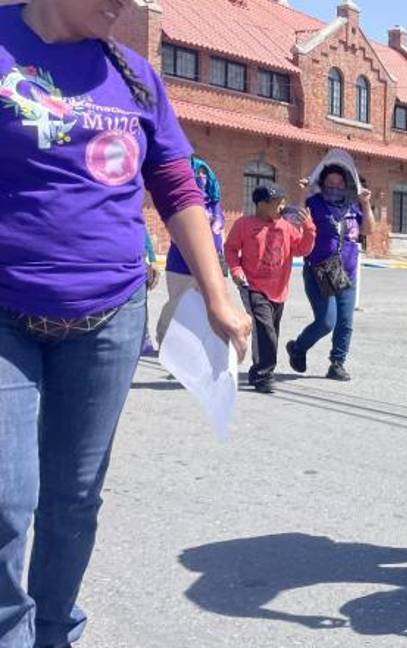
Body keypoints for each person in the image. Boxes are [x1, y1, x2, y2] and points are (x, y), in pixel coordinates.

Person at [0, 2, 251, 647]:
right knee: (6, 500)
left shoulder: (135, 74)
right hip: (4, 309)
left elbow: (176, 182)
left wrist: (218, 292)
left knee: (75, 495)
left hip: (109, 314)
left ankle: (54, 631)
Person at [286, 157, 376, 382]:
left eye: (339, 184)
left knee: (345, 322)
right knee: (327, 321)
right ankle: (298, 347)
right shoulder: (315, 202)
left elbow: (369, 230)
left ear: (346, 185)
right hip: (320, 270)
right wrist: (303, 194)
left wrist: (365, 204)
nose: (334, 188)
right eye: (330, 184)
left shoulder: (353, 206)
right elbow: (296, 222)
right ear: (323, 184)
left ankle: (337, 363)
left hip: (348, 272)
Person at [225, 185, 316, 394]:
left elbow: (302, 249)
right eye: (277, 202)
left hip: (278, 288)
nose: (281, 206)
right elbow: (230, 250)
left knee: (270, 331)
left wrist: (309, 227)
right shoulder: (244, 225)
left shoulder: (286, 226)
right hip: (253, 286)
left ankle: (258, 370)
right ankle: (264, 375)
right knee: (266, 331)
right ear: (261, 204)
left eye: (282, 202)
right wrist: (236, 270)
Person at [157, 155, 227, 345]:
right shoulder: (178, 207)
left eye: (203, 178)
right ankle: (164, 335)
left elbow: (218, 236)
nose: (200, 182)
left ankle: (195, 342)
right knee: (177, 303)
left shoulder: (216, 213)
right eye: (196, 178)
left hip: (209, 265)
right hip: (180, 265)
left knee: (205, 305)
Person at [141, 226, 161, 356]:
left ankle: (144, 341)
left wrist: (153, 260)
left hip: (139, 266)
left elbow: (145, 236)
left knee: (142, 306)